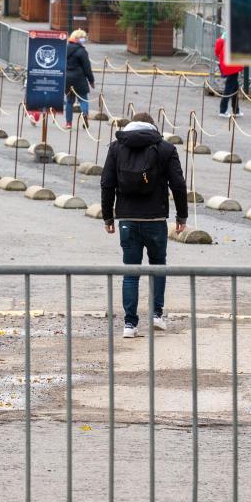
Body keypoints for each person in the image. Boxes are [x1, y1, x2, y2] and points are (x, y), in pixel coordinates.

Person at [101, 112, 189, 338]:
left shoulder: (115, 148)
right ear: (153, 126)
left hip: (127, 219)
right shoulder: (166, 148)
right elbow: (178, 184)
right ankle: (156, 314)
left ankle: (130, 324)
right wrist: (182, 216)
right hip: (156, 219)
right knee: (158, 266)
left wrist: (108, 217)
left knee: (131, 272)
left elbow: (107, 184)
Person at [64, 30, 95, 129]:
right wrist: (91, 80)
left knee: (69, 101)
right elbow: (87, 67)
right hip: (79, 78)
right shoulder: (82, 51)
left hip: (67, 78)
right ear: (77, 39)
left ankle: (68, 123)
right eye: (83, 37)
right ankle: (85, 115)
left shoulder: (65, 49)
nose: (84, 39)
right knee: (83, 99)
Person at [215, 35, 243, 117]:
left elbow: (217, 51)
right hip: (233, 64)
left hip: (228, 63)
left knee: (234, 87)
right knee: (229, 87)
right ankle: (223, 110)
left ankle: (236, 110)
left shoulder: (224, 37)